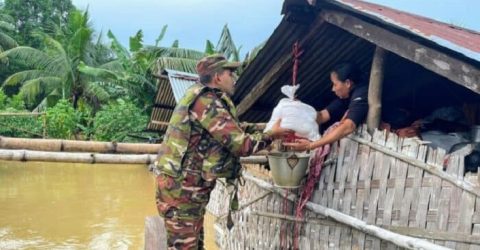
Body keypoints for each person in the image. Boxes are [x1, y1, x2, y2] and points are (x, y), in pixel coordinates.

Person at [154, 54, 290, 249]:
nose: (234, 78)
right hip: (181, 191)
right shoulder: (206, 102)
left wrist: (264, 130)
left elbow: (234, 128)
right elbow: (241, 145)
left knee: (194, 244)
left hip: (186, 190)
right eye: (230, 73)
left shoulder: (202, 96)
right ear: (217, 77)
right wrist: (270, 135)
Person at [285, 63, 368, 151]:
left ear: (347, 83)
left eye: (335, 84)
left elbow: (349, 126)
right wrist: (300, 109)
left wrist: (310, 146)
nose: (333, 89)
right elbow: (322, 116)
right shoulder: (346, 96)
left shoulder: (361, 93)